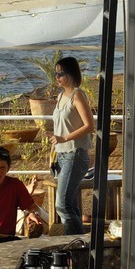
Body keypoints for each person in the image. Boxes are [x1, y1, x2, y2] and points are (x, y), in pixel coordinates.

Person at [49, 55, 95, 239]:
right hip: (61, 155)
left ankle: (75, 244)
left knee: (63, 205)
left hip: (75, 154)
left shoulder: (77, 95)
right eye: (56, 73)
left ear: (70, 74)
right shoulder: (60, 96)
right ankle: (79, 242)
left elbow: (89, 125)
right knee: (70, 203)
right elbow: (59, 127)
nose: (57, 77)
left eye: (61, 73)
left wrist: (64, 138)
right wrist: (53, 152)